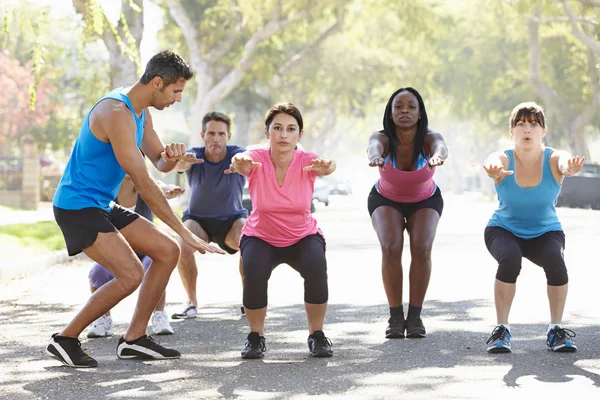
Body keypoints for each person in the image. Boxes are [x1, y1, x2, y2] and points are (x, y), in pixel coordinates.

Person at [48, 50, 224, 368]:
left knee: (167, 251)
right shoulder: (116, 112)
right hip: (77, 205)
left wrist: (173, 157)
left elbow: (158, 161)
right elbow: (143, 182)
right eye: (176, 91)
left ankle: (134, 339)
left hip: (100, 203)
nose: (178, 99)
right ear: (157, 82)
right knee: (129, 274)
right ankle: (66, 338)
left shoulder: (141, 112)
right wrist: (186, 232)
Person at [228, 102, 336, 359]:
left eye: (291, 129)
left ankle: (317, 335)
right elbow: (240, 160)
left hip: (302, 235)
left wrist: (327, 167)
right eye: (277, 128)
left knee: (316, 264)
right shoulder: (256, 157)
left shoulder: (308, 160)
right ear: (268, 132)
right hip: (261, 235)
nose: (284, 134)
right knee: (252, 269)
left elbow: (328, 165)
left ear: (300, 134)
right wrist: (238, 161)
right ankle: (255, 336)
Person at [482, 102, 583, 353]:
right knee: (510, 259)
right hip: (503, 229)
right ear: (512, 130)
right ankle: (501, 330)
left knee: (555, 262)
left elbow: (563, 161)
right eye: (521, 124)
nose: (527, 129)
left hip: (546, 231)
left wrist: (568, 167)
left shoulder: (553, 157)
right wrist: (492, 167)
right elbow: (494, 158)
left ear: (543, 130)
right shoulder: (504, 159)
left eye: (533, 124)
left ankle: (555, 330)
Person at [366, 87, 448, 339]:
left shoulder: (428, 138)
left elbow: (441, 147)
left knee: (422, 248)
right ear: (390, 113)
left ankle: (414, 317)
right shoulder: (383, 138)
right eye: (398, 107)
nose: (404, 111)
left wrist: (437, 157)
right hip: (385, 198)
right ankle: (395, 317)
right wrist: (375, 157)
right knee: (391, 247)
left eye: (411, 107)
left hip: (425, 200)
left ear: (420, 113)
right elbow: (373, 147)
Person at [86, 174, 184, 338]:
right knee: (97, 273)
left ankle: (159, 315)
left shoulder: (144, 187)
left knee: (155, 266)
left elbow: (161, 187)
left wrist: (169, 190)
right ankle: (103, 319)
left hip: (146, 251)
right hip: (118, 252)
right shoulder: (109, 191)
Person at [171, 111, 247, 320]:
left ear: (228, 136)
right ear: (203, 134)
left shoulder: (238, 153)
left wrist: (240, 165)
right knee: (182, 245)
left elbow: (246, 162)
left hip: (231, 221)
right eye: (211, 133)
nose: (216, 139)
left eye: (221, 134)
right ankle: (191, 303)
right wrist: (182, 161)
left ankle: (249, 301)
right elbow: (180, 165)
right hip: (198, 221)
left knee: (250, 243)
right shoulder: (194, 155)